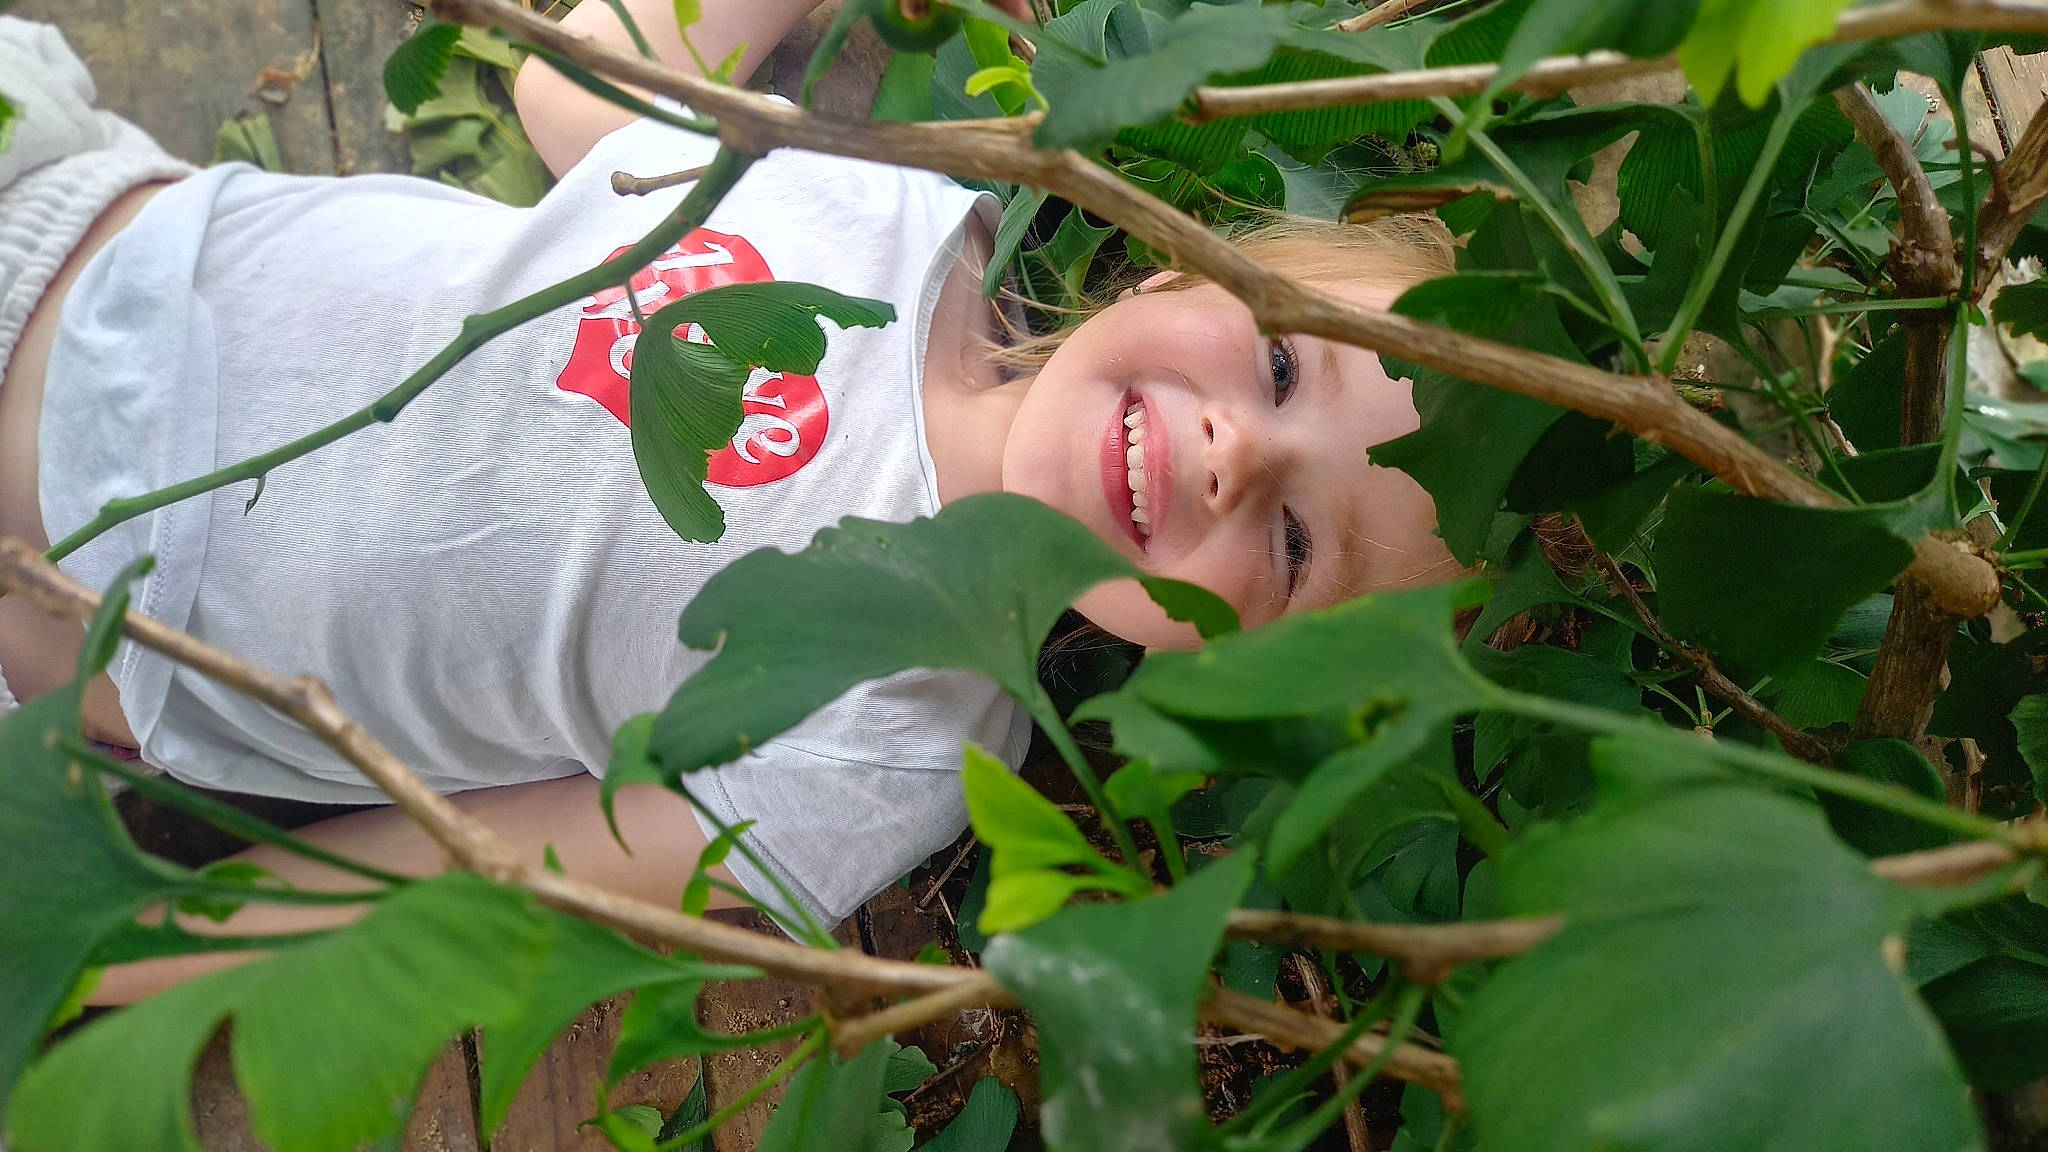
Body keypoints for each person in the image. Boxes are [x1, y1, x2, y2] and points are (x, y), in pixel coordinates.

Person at [0, 0, 1457, 1001]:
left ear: (1247, 671)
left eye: (1293, 541)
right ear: (1175, 266)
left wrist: (97, 956)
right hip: (68, 233)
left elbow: (467, 880)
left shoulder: (886, 753)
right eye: (1277, 360)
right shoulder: (887, 207)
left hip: (65, 645)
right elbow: (579, 91)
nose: (1232, 456)